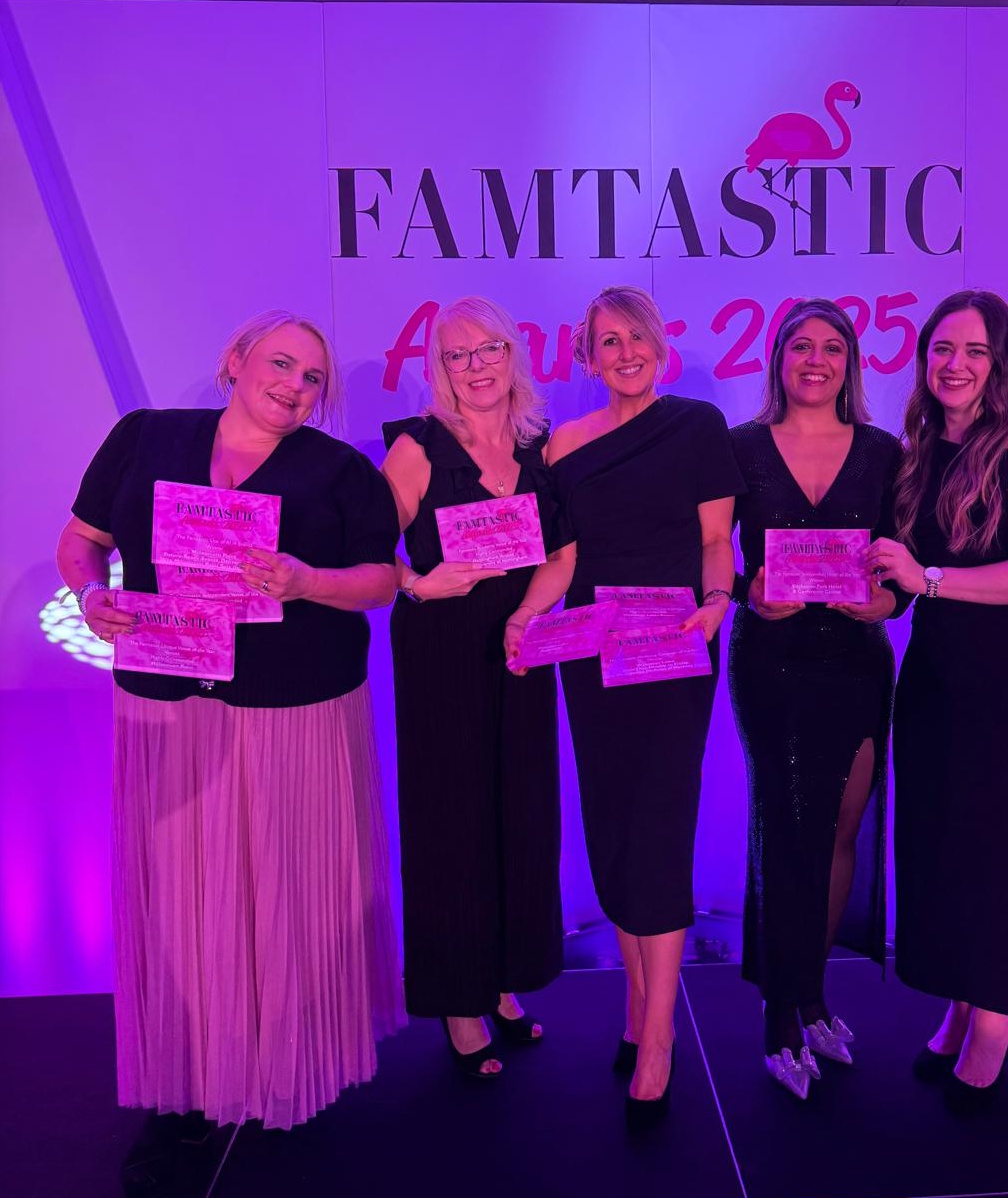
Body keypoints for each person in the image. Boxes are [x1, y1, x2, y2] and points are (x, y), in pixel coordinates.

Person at [55, 312, 404, 1155]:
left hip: (295, 707)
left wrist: (306, 581)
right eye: (280, 363)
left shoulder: (341, 471)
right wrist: (93, 597)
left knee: (284, 891)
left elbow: (382, 581)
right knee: (178, 900)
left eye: (312, 378)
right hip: (167, 703)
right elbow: (81, 543)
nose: (294, 385)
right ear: (236, 361)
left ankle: (286, 1068)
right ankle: (186, 1076)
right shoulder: (145, 438)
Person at [504, 285, 745, 1124]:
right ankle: (637, 1007)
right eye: (608, 342)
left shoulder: (699, 427)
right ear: (588, 357)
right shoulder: (564, 444)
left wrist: (717, 604)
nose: (626, 353)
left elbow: (716, 540)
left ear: (660, 344)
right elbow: (564, 559)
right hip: (594, 654)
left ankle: (661, 1034)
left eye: (636, 337)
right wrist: (525, 615)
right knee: (610, 825)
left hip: (676, 647)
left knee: (660, 827)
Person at [869, 290, 1008, 1111]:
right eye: (943, 348)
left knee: (996, 847)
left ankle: (993, 1020)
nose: (955, 364)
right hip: (935, 670)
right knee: (941, 842)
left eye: (975, 351)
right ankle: (960, 1001)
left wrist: (928, 579)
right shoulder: (918, 449)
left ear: (1000, 364)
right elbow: (900, 582)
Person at [381, 296, 565, 1078]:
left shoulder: (537, 444)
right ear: (440, 369)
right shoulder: (418, 447)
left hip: (521, 651)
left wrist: (527, 615)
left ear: (513, 354)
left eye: (488, 348)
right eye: (457, 355)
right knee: (451, 824)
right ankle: (459, 1001)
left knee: (517, 817)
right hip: (442, 655)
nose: (476, 366)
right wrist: (418, 584)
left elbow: (564, 553)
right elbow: (367, 552)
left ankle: (500, 980)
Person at [729, 298, 906, 1100]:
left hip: (856, 662)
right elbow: (709, 552)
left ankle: (811, 994)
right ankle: (778, 1015)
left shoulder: (884, 452)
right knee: (786, 832)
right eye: (800, 345)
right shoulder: (739, 447)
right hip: (772, 661)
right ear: (778, 359)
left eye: (831, 347)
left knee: (840, 833)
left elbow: (905, 561)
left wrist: (888, 603)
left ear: (850, 364)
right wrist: (747, 590)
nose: (815, 360)